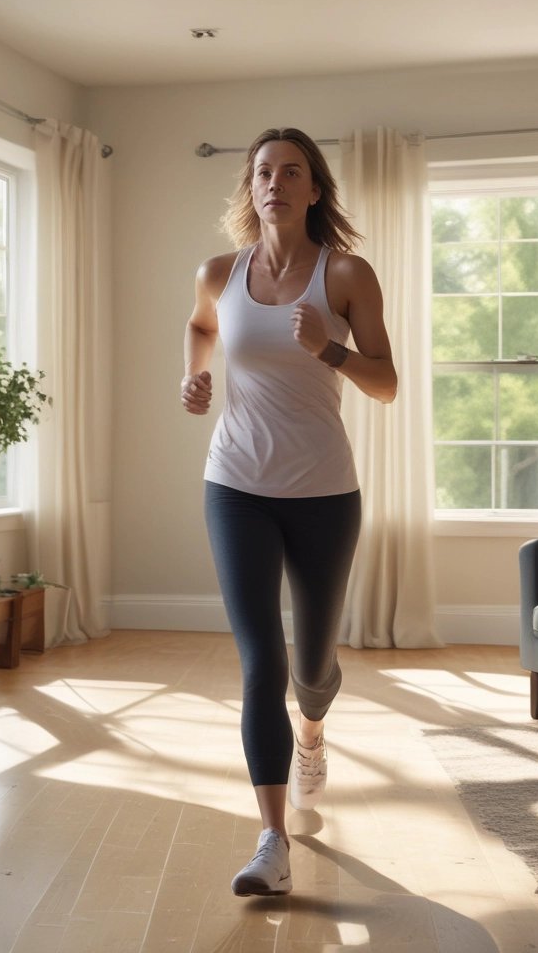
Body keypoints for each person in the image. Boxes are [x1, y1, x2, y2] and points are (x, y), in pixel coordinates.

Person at [181, 127, 398, 897]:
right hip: (235, 486)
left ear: (314, 189)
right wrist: (194, 378)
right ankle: (272, 839)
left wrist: (330, 349)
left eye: (291, 172)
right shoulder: (219, 272)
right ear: (252, 187)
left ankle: (312, 733)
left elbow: (387, 384)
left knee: (311, 668)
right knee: (260, 660)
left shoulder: (344, 275)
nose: (275, 182)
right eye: (263, 171)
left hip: (324, 494)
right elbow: (204, 325)